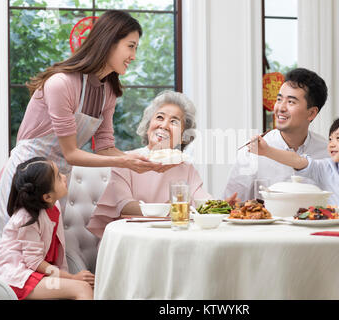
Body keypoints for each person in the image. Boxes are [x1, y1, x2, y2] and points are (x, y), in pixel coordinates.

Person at [0, 10, 172, 236]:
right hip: (26, 178)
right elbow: (71, 153)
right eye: (131, 46)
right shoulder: (61, 84)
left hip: (57, 184)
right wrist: (127, 162)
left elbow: (105, 146)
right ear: (109, 42)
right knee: (18, 252)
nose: (134, 56)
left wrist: (141, 158)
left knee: (48, 252)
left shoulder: (109, 92)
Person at [87, 91, 237, 238]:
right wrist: (171, 209)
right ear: (148, 125)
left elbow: (201, 202)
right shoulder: (126, 160)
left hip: (173, 238)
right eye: (159, 117)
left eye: (174, 122)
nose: (164, 125)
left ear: (183, 136)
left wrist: (221, 206)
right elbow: (123, 205)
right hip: (134, 237)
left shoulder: (186, 168)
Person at [0, 157, 95, 300]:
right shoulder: (27, 218)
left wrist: (68, 278)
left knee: (86, 286)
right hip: (17, 280)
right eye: (59, 177)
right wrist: (72, 277)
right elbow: (34, 262)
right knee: (82, 287)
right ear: (47, 196)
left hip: (33, 274)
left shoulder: (54, 206)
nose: (64, 177)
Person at [223, 68, 329, 201]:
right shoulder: (252, 151)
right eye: (279, 99)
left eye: (291, 102)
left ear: (312, 113)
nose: (281, 108)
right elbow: (229, 205)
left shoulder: (327, 152)